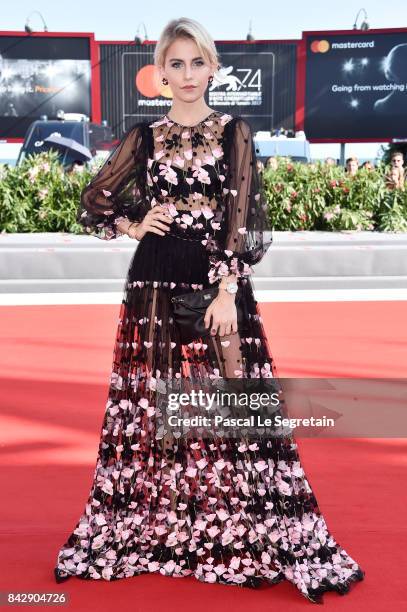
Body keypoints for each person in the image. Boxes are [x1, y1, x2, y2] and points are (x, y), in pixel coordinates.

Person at [53, 17, 365, 604]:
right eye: (176, 64)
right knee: (157, 405)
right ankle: (170, 523)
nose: (188, 75)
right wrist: (131, 222)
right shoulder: (143, 137)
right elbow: (93, 197)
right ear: (160, 74)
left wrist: (227, 290)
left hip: (217, 284)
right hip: (152, 283)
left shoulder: (234, 132)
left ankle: (236, 521)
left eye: (197, 62)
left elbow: (242, 220)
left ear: (214, 67)